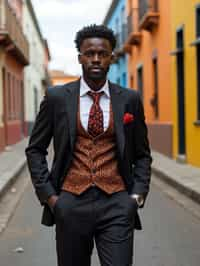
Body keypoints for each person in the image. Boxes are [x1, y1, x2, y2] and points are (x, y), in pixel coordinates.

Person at [25, 24, 152, 266]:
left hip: (117, 203)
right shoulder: (57, 98)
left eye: (102, 54)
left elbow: (143, 154)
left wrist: (136, 196)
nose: (96, 59)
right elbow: (35, 149)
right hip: (70, 203)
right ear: (80, 57)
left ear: (111, 57)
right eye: (89, 53)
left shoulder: (130, 100)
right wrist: (51, 198)